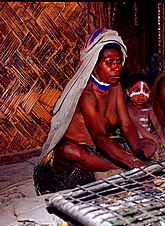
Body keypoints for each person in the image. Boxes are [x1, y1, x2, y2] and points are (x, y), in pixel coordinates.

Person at [33, 27, 155, 195]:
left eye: (119, 62)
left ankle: (120, 166)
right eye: (109, 63)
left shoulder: (116, 86)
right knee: (68, 150)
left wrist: (139, 155)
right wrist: (135, 164)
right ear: (94, 65)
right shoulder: (87, 94)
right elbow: (99, 137)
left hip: (102, 151)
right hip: (83, 151)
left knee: (150, 144)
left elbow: (126, 125)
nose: (116, 68)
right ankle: (121, 167)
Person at [125, 73, 165, 157]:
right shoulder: (127, 107)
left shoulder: (148, 107)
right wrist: (153, 139)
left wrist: (163, 139)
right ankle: (152, 152)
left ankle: (161, 150)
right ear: (128, 92)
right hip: (139, 138)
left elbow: (156, 123)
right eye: (136, 90)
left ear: (150, 91)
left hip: (149, 134)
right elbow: (137, 126)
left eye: (146, 91)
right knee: (137, 133)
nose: (141, 95)